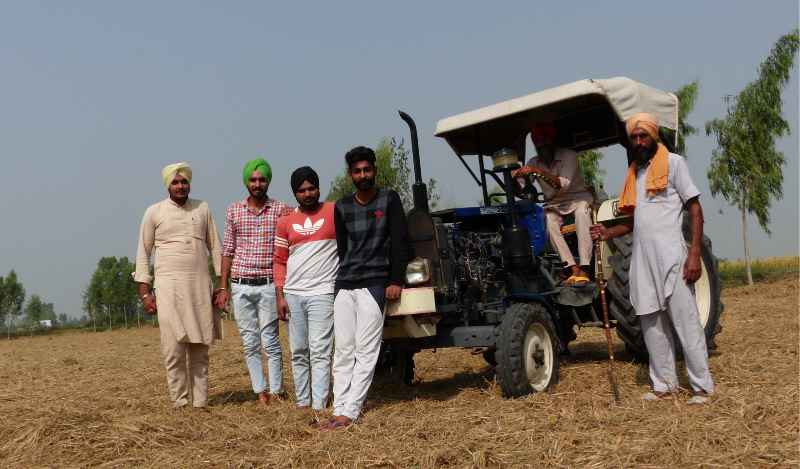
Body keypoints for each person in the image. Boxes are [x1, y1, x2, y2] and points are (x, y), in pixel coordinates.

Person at [590, 113, 715, 404]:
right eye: (633, 137)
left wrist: (694, 254)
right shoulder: (635, 172)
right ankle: (664, 383)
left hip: (672, 255)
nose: (638, 141)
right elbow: (637, 220)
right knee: (650, 322)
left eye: (642, 135)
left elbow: (694, 208)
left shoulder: (674, 163)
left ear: (654, 136)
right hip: (642, 259)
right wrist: (609, 232)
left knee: (686, 321)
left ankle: (702, 386)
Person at [320, 146, 412, 430]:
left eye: (367, 170)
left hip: (375, 284)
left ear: (374, 171)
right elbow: (343, 249)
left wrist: (396, 281)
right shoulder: (342, 206)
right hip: (345, 283)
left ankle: (351, 411)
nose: (363, 175)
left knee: (366, 350)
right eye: (357, 171)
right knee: (344, 349)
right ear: (350, 175)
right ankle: (338, 408)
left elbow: (400, 242)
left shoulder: (389, 199)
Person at [134, 162, 223, 410]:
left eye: (184, 181)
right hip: (167, 289)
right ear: (168, 185)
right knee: (173, 351)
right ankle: (180, 403)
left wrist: (222, 285)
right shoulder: (154, 212)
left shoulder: (203, 208)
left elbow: (215, 247)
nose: (180, 186)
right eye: (175, 182)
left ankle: (200, 404)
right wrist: (144, 293)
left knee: (199, 352)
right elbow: (143, 252)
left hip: (200, 288)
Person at [216, 159, 288, 406]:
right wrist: (223, 286)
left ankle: (277, 391)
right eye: (253, 179)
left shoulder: (281, 210)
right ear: (247, 181)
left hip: (269, 284)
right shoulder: (234, 210)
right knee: (250, 343)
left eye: (262, 179)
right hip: (241, 286)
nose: (257, 184)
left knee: (271, 340)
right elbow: (228, 250)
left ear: (268, 181)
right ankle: (260, 393)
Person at [274, 166, 338, 411]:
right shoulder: (285, 220)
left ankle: (319, 405)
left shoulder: (334, 211)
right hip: (293, 295)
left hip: (324, 292)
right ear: (294, 193)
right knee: (299, 351)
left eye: (312, 188)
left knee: (321, 351)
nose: (307, 193)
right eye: (301, 190)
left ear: (319, 188)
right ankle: (303, 404)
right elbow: (279, 260)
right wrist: (280, 296)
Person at [511, 122, 594, 285]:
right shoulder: (533, 161)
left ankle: (585, 267)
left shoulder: (569, 155)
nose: (542, 144)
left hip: (578, 201)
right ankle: (571, 268)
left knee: (582, 214)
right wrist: (513, 178)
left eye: (545, 139)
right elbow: (522, 190)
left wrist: (538, 171)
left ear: (553, 139)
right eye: (538, 141)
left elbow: (563, 184)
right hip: (555, 205)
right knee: (546, 221)